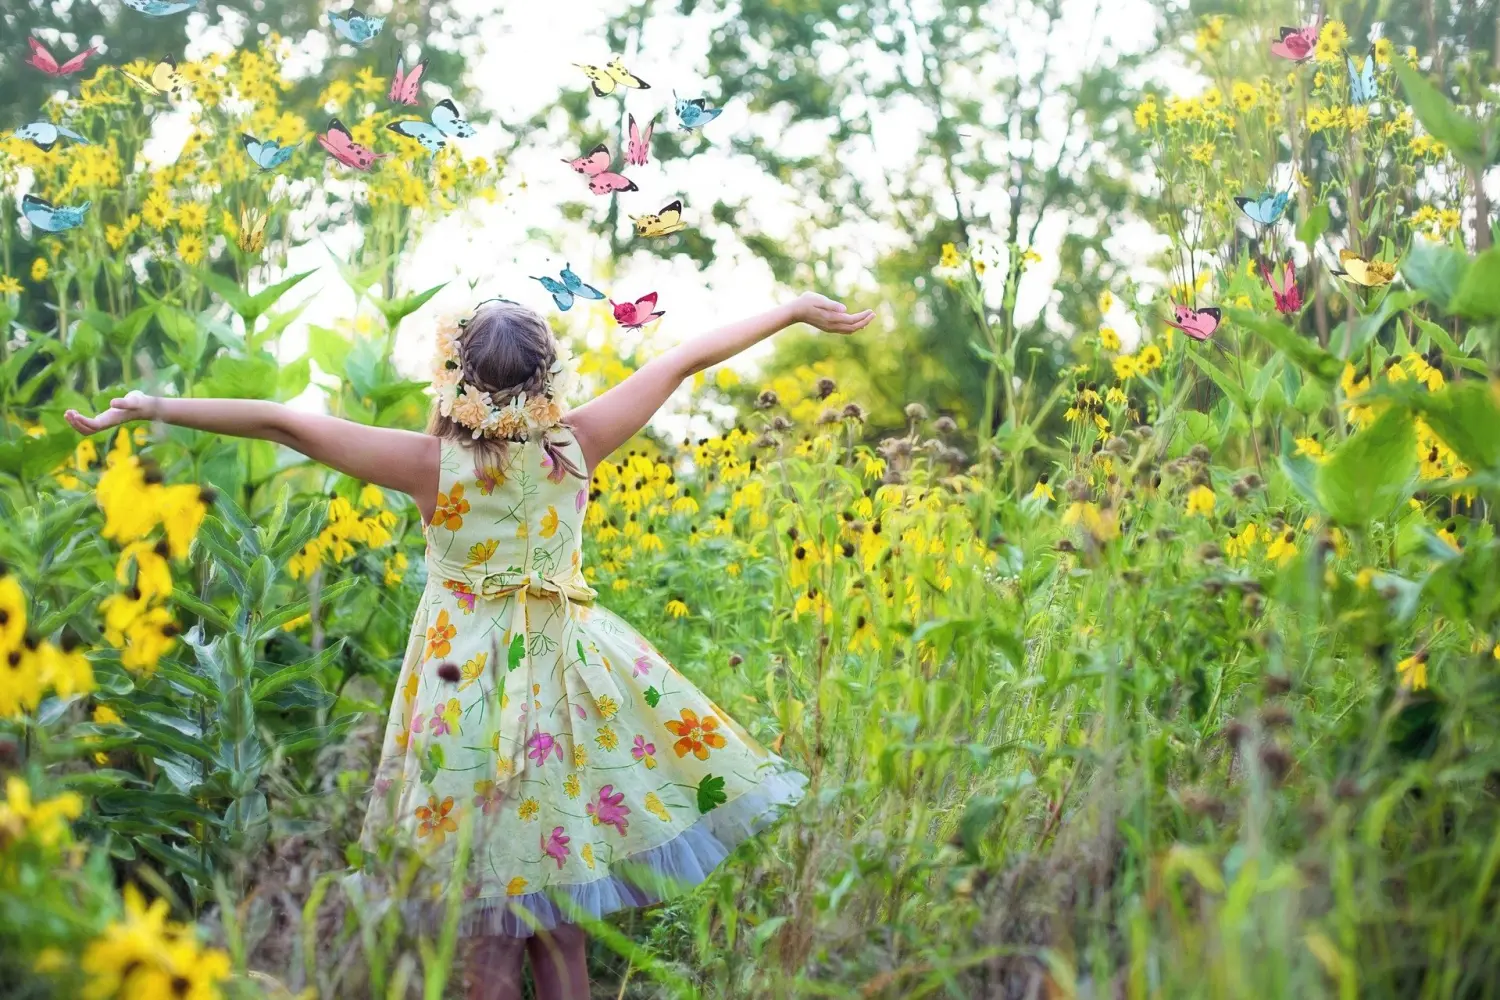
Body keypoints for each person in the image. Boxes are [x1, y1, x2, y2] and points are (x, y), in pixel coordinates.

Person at [65, 291, 874, 999]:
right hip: (568, 682)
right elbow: (686, 357)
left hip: (465, 693)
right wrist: (794, 306)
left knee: (483, 917)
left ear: (453, 377)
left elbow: (284, 423)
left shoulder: (430, 465)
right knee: (565, 919)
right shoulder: (578, 445)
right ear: (549, 375)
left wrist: (150, 405)